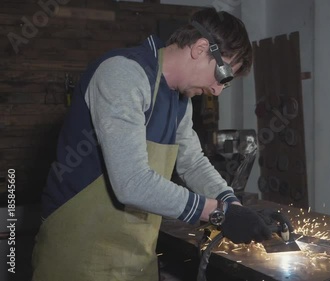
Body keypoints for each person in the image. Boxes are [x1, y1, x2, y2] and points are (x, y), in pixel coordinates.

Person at [31, 7, 292, 281]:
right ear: (201, 48)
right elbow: (131, 182)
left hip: (137, 257)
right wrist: (219, 213)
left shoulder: (180, 101)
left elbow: (193, 162)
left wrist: (233, 206)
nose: (217, 90)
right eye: (223, 76)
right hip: (79, 258)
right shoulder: (123, 75)